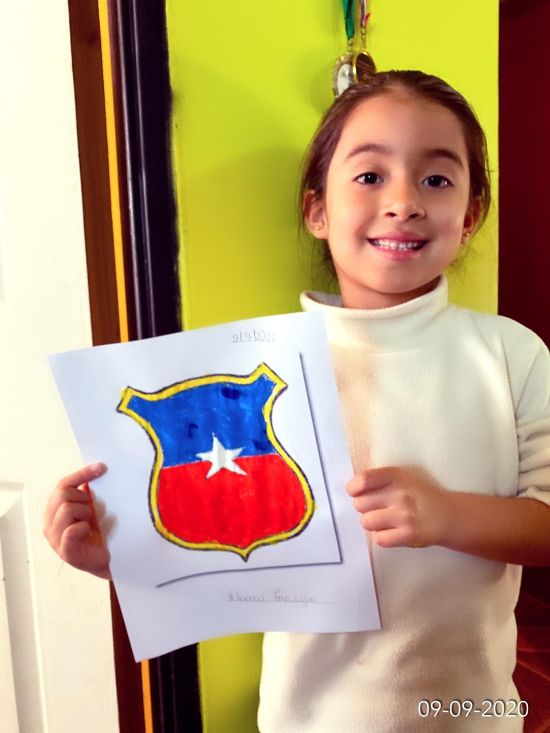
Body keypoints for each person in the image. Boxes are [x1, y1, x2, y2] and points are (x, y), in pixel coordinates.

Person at [44, 70, 550, 731]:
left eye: (436, 178)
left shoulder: (512, 354)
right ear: (318, 211)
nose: (403, 201)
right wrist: (120, 553)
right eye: (369, 176)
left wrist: (447, 514)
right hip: (309, 717)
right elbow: (225, 543)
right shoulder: (255, 377)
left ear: (471, 214)